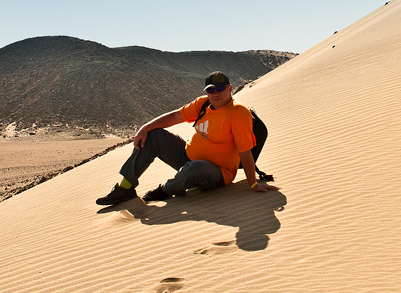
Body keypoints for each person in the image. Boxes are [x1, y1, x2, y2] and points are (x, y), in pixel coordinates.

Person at [97, 71, 278, 205]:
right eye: (211, 89)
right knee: (153, 135)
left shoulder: (238, 113)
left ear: (230, 89)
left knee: (195, 168)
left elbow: (245, 151)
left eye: (221, 88)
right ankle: (125, 188)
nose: (216, 93)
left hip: (218, 172)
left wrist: (253, 183)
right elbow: (176, 117)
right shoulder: (203, 103)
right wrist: (145, 128)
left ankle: (165, 190)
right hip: (188, 157)